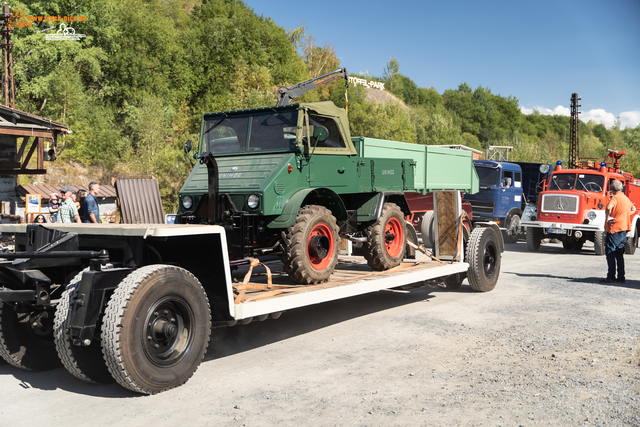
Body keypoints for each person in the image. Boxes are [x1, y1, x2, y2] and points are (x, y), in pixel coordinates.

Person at [600, 179, 636, 283]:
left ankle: (611, 276)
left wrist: (608, 217)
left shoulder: (615, 198)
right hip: (623, 228)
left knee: (610, 252)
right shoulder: (625, 198)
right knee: (619, 254)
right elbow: (633, 209)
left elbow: (608, 207)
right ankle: (621, 277)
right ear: (621, 188)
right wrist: (624, 216)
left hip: (614, 228)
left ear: (611, 189)